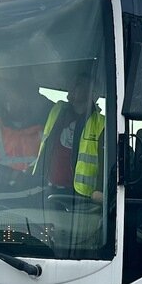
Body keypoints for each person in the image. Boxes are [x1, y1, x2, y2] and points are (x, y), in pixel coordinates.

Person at [34, 70, 106, 202]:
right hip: (48, 189)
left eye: (78, 84)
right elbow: (32, 98)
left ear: (91, 91)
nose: (71, 86)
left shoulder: (101, 124)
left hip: (82, 197)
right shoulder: (57, 110)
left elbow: (106, 161)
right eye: (72, 82)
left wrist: (100, 190)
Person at [0, 84, 50, 197]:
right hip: (3, 204)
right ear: (4, 103)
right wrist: (10, 175)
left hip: (36, 199)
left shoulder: (42, 131)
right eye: (11, 100)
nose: (16, 104)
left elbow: (47, 164)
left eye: (21, 100)